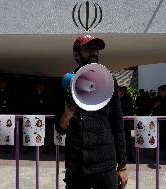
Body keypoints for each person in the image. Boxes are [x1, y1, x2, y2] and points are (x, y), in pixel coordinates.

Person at [55, 35, 128, 189]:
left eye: (96, 48)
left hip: (105, 162)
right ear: (76, 54)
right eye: (88, 48)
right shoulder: (67, 84)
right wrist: (67, 115)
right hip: (77, 164)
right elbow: (60, 129)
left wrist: (122, 166)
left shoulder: (110, 81)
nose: (94, 52)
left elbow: (118, 125)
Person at [119, 86, 135, 163]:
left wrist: (131, 121)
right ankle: (119, 157)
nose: (121, 93)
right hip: (117, 123)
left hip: (126, 123)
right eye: (120, 91)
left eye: (122, 91)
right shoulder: (114, 99)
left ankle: (129, 156)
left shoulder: (127, 99)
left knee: (127, 141)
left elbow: (130, 109)